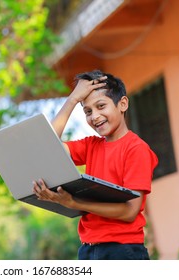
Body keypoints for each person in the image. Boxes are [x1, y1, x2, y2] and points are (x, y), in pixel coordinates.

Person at [32, 69, 158, 260]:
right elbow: (46, 146)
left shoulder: (136, 149)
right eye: (88, 111)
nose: (95, 116)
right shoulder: (91, 145)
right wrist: (73, 99)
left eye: (101, 106)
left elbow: (130, 211)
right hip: (89, 250)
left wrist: (74, 203)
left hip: (122, 251)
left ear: (122, 104)